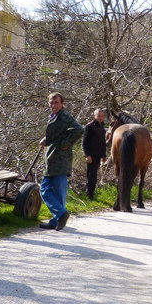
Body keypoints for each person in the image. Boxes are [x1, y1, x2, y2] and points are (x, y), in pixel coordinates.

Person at [39, 92, 84, 230]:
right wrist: (46, 140)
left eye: (56, 102)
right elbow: (57, 134)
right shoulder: (54, 117)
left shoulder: (64, 116)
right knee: (50, 190)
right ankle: (56, 220)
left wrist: (66, 143)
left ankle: (61, 214)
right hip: (52, 159)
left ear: (62, 104)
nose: (53, 105)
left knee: (47, 190)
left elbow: (79, 129)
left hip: (60, 160)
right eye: (51, 102)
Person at [82, 108, 107, 200]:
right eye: (98, 116)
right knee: (91, 175)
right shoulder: (90, 126)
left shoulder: (101, 127)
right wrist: (87, 155)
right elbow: (84, 142)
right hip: (91, 155)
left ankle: (91, 194)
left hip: (98, 155)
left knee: (94, 175)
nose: (100, 118)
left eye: (102, 116)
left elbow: (103, 143)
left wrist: (104, 155)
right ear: (94, 116)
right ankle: (89, 195)